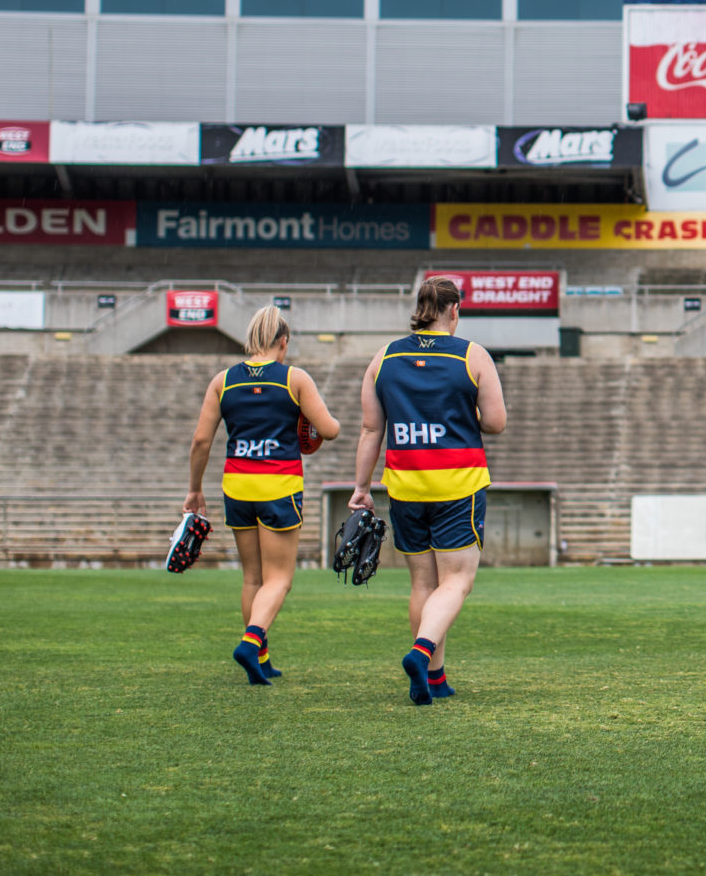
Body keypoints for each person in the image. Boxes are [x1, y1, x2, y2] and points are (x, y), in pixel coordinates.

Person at [350, 275, 507, 705]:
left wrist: (362, 488)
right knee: (456, 582)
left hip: (405, 485)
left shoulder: (383, 357)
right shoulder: (472, 355)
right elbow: (494, 422)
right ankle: (421, 654)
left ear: (419, 309)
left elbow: (370, 429)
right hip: (458, 484)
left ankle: (434, 679)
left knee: (423, 583)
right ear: (453, 310)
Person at [185, 305, 341, 685]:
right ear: (282, 341)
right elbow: (330, 430)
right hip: (278, 486)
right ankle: (251, 642)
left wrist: (194, 489)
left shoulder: (223, 380)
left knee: (252, 577)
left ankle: (262, 659)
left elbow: (202, 440)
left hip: (237, 485)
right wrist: (309, 419)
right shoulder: (295, 379)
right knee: (279, 580)